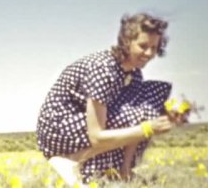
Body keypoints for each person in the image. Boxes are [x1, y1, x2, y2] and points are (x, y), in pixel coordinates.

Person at [36, 12, 187, 186]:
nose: (149, 53)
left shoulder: (134, 72)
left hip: (83, 122)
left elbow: (139, 116)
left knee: (150, 100)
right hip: (59, 126)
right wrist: (148, 128)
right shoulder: (104, 69)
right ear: (127, 41)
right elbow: (97, 136)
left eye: (154, 47)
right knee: (140, 111)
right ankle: (71, 160)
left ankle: (120, 170)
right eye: (143, 46)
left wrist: (126, 168)